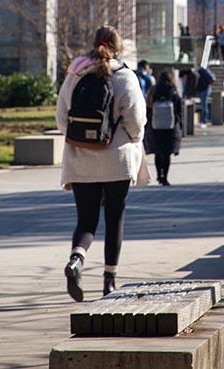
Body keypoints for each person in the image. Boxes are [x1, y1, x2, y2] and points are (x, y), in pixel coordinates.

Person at [58, 26, 147, 300]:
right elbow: (136, 121)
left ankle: (76, 260)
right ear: (118, 48)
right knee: (114, 219)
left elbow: (62, 117)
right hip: (116, 160)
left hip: (80, 159)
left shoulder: (75, 74)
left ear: (93, 44)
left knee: (86, 220)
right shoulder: (125, 77)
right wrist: (132, 138)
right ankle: (109, 280)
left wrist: (79, 139)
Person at [144, 71, 183, 186]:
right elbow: (179, 109)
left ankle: (158, 176)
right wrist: (179, 125)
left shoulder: (153, 90)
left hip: (155, 125)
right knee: (166, 153)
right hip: (170, 126)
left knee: (158, 152)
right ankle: (165, 177)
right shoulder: (173, 91)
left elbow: (147, 107)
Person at [195, 62, 216, 127]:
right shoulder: (206, 71)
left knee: (204, 106)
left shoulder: (200, 71)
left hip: (202, 90)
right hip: (205, 89)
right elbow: (213, 79)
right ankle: (204, 121)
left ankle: (204, 121)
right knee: (204, 105)